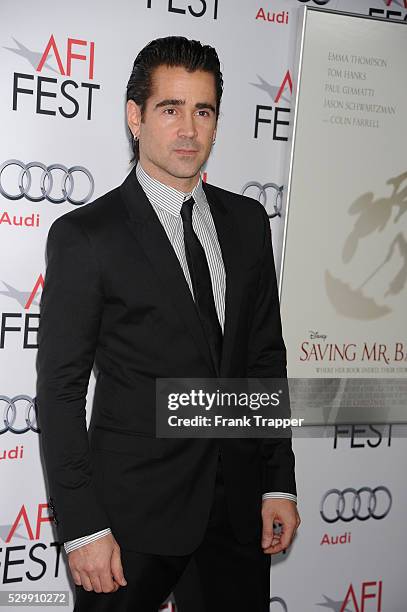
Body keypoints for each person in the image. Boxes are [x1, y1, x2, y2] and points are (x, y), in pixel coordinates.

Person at [36, 36, 300, 612]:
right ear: (135, 117)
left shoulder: (249, 223)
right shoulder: (88, 236)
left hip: (237, 509)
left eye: (202, 111)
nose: (188, 129)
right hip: (129, 516)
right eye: (170, 109)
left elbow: (263, 359)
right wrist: (82, 527)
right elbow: (59, 394)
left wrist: (278, 480)